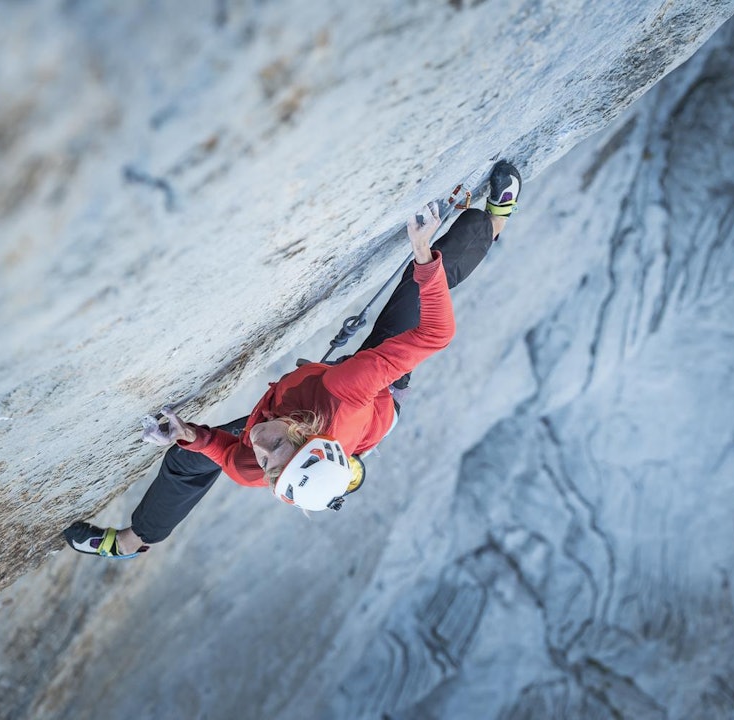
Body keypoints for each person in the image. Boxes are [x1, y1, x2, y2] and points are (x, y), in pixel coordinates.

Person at [64, 160, 522, 558]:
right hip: (373, 401)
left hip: (325, 411)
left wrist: (189, 433)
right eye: (278, 449)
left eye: (268, 465)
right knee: (417, 289)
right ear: (305, 433)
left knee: (187, 460)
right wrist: (423, 254)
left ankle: (131, 542)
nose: (260, 448)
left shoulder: (253, 468)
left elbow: (229, 452)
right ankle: (493, 222)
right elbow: (437, 334)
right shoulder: (348, 391)